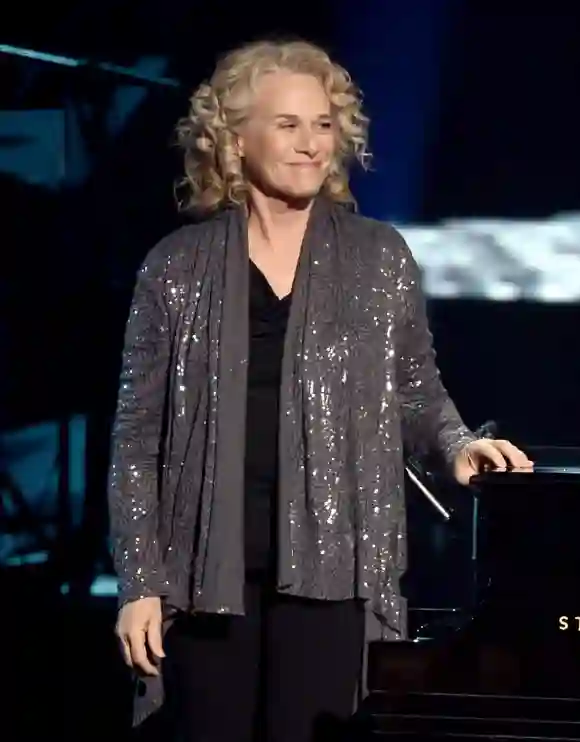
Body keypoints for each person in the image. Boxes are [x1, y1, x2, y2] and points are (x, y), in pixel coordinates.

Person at [108, 38, 533, 742]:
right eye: (288, 125)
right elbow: (135, 440)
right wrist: (138, 583)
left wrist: (459, 446)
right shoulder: (175, 268)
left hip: (334, 576)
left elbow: (415, 388)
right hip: (204, 585)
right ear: (234, 138)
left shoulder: (378, 257)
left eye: (324, 125)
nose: (311, 144)